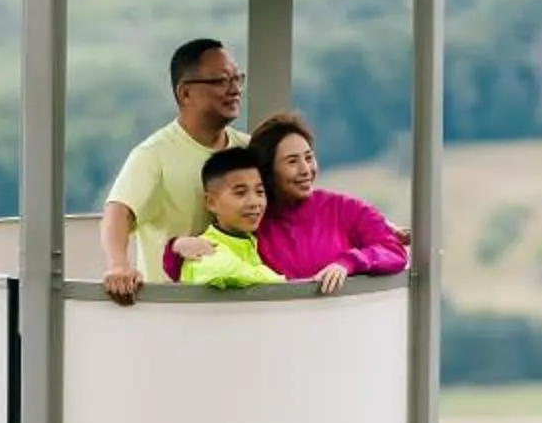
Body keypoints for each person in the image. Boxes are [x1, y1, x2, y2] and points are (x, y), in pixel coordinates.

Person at [167, 109, 406, 294]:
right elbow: (212, 253)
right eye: (292, 161)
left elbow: (392, 251)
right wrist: (176, 247)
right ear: (268, 170)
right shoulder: (254, 217)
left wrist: (349, 262)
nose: (305, 169)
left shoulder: (344, 209)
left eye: (309, 157)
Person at [101, 37, 247, 305]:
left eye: (238, 79)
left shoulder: (248, 148)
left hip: (242, 305)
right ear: (185, 93)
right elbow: (117, 212)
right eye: (221, 81)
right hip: (173, 311)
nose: (235, 89)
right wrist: (119, 266)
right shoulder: (153, 155)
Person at [177, 146, 282, 289]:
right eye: (240, 193)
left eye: (259, 191)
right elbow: (237, 272)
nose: (254, 202)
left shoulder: (255, 243)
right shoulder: (202, 250)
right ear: (211, 202)